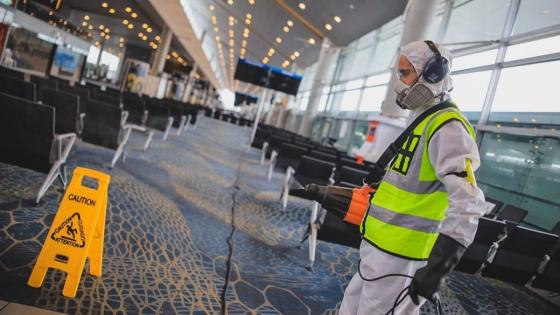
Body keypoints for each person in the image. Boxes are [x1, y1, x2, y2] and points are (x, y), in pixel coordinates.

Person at [339, 40, 487, 315]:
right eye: (399, 74)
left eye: (406, 73)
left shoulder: (448, 128)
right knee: (352, 305)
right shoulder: (422, 120)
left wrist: (438, 267)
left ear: (433, 74)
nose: (401, 82)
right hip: (379, 244)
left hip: (403, 255)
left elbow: (468, 204)